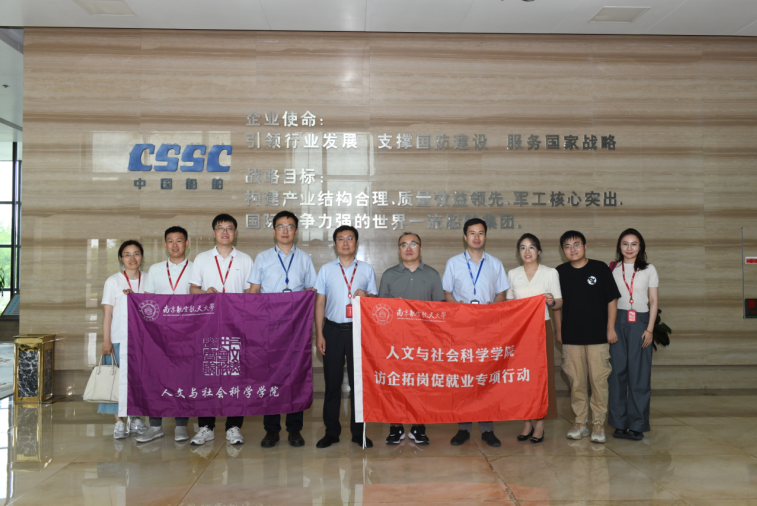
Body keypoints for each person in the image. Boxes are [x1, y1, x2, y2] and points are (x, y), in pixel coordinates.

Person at [247, 210, 316, 448]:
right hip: (269, 326)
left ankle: (295, 429)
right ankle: (271, 430)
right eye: (280, 226)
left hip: (296, 326)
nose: (285, 231)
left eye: (290, 227)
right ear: (274, 230)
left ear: (296, 231)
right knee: (270, 377)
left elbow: (312, 291)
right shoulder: (263, 257)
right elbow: (254, 292)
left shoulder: (305, 258)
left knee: (296, 375)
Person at [442, 218, 509, 448]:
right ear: (465, 236)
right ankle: (463, 428)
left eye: (480, 233)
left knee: (486, 376)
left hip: (487, 328)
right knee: (464, 377)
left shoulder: (495, 263)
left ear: (485, 236)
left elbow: (501, 293)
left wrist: (492, 309)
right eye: (472, 233)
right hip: (461, 328)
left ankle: (488, 429)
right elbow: (447, 293)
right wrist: (459, 309)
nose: (476, 237)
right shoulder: (453, 263)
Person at [188, 214, 254, 446]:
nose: (225, 232)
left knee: (235, 376)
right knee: (207, 376)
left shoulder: (245, 259)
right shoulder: (202, 258)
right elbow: (192, 289)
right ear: (213, 232)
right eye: (220, 228)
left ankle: (233, 427)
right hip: (208, 326)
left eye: (229, 228)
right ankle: (205, 427)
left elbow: (250, 294)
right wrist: (205, 293)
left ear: (235, 233)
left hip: (236, 326)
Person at [314, 225, 378, 449]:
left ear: (356, 243)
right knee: (332, 384)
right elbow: (319, 303)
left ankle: (359, 433)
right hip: (332, 331)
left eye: (350, 238)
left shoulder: (366, 269)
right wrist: (320, 334)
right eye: (340, 239)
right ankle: (331, 432)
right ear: (335, 244)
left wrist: (367, 294)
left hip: (358, 331)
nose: (345, 243)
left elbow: (375, 301)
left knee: (357, 384)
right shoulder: (326, 270)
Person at [378, 232, 445, 445]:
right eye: (404, 244)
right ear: (398, 250)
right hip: (395, 342)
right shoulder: (389, 275)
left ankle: (419, 426)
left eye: (413, 244)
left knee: (421, 384)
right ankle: (396, 427)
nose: (409, 248)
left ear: (421, 249)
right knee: (395, 384)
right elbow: (380, 311)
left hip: (424, 341)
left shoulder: (432, 275)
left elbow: (440, 311)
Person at [555, 230, 621, 444]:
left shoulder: (600, 268)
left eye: (576, 244)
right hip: (571, 337)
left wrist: (610, 328)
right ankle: (580, 422)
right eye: (567, 246)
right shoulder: (559, 272)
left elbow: (612, 300)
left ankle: (598, 423)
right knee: (576, 382)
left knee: (599, 381)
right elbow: (556, 306)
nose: (572, 249)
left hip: (598, 337)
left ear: (585, 246)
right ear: (563, 250)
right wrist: (559, 330)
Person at [137, 226, 194, 444]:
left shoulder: (196, 268)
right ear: (165, 245)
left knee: (183, 379)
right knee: (156, 378)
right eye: (170, 241)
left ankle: (181, 426)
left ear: (187, 243)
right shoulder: (155, 269)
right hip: (158, 335)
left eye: (179, 240)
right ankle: (155, 426)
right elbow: (148, 302)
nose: (175, 245)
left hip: (187, 334)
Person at [506, 233, 563, 444]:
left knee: (541, 376)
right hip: (520, 332)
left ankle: (539, 424)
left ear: (538, 251)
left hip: (542, 328)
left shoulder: (550, 273)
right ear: (518, 252)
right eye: (523, 247)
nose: (527, 251)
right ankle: (526, 423)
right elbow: (509, 304)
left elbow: (559, 303)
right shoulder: (512, 274)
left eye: (531, 247)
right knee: (522, 376)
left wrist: (551, 301)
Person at [608, 228, 659, 441]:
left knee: (639, 375)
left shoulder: (649, 269)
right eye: (625, 244)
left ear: (640, 247)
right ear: (619, 246)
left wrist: (650, 329)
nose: (629, 248)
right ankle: (619, 423)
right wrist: (610, 328)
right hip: (617, 321)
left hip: (641, 322)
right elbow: (608, 300)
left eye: (634, 244)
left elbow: (654, 300)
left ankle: (638, 424)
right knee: (616, 374)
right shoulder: (613, 268)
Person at [100, 240, 149, 439]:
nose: (132, 258)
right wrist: (107, 341)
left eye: (136, 253)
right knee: (117, 382)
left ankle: (136, 419)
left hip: (143, 341)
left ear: (142, 257)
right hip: (119, 339)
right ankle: (119, 422)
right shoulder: (113, 281)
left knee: (138, 381)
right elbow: (107, 314)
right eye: (127, 254)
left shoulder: (149, 279)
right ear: (121, 258)